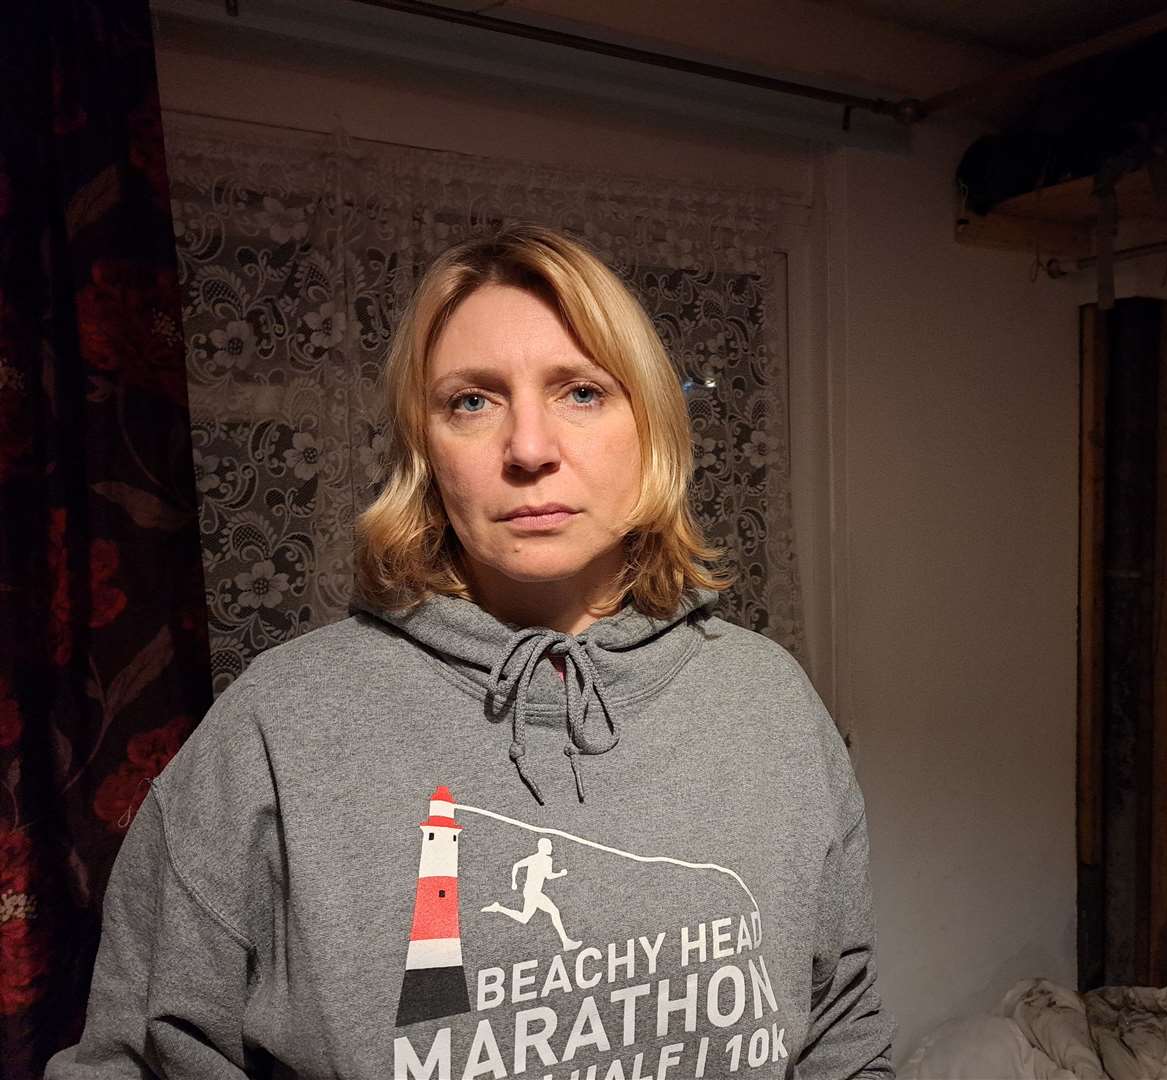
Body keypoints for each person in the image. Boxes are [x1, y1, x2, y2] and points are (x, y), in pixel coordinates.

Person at [47, 223, 895, 1079]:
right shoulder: (281, 726)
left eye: (582, 392)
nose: (529, 450)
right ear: (425, 453)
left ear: (652, 428)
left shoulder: (769, 702)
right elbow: (132, 1058)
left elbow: (843, 1033)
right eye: (472, 402)